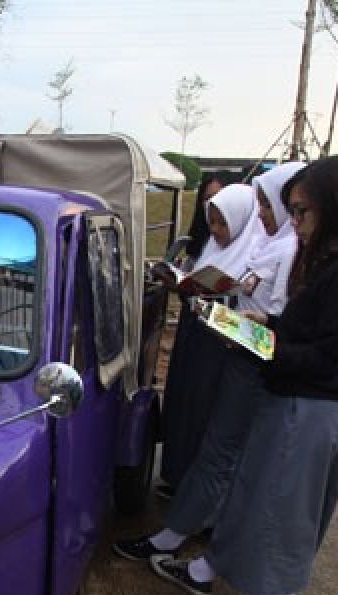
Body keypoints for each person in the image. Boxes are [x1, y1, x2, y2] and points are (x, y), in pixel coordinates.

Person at [150, 155, 338, 595]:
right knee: (265, 494)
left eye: (302, 212)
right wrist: (267, 324)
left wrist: (263, 342)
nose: (293, 223)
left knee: (282, 505)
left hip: (312, 403)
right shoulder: (332, 264)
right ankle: (251, 582)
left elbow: (329, 356)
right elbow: (314, 333)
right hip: (300, 399)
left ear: (335, 208)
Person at [114, 162, 306, 561]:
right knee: (218, 448)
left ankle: (181, 539)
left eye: (269, 207)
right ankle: (192, 532)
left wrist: (224, 317)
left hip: (247, 360)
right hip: (237, 351)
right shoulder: (271, 247)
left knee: (220, 452)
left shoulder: (287, 251)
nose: (264, 216)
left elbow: (275, 324)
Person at [156, 178, 258, 496]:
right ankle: (179, 477)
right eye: (210, 220)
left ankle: (201, 496)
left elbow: (250, 321)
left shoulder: (256, 254)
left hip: (224, 350)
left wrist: (215, 300)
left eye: (221, 222)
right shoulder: (212, 249)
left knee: (209, 418)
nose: (214, 229)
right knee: (187, 407)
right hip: (198, 340)